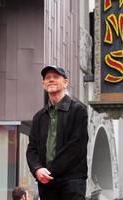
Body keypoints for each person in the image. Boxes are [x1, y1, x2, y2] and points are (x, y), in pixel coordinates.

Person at [26, 65, 88, 200]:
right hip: (46, 183)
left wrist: (49, 171)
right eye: (47, 78)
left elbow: (76, 146)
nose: (51, 80)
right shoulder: (39, 117)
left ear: (66, 83)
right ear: (43, 84)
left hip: (71, 180)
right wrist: (37, 169)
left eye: (55, 77)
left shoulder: (79, 110)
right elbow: (32, 149)